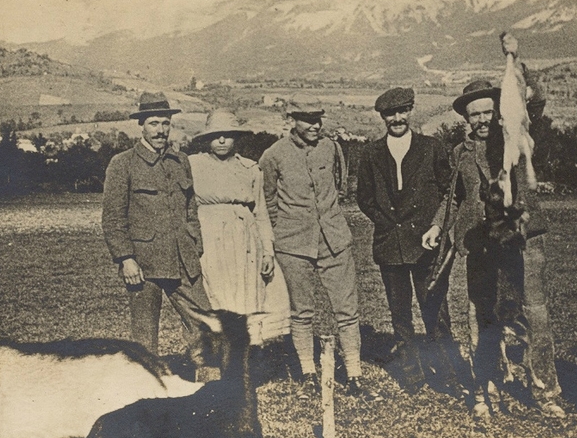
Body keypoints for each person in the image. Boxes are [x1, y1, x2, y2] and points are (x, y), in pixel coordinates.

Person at [440, 33, 566, 420]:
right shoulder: (459, 154)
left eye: (486, 111)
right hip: (481, 245)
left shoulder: (512, 137)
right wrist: (450, 232)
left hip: (524, 239)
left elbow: (536, 101)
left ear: (498, 111)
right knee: (482, 314)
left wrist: (515, 60)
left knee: (535, 314)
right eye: (473, 114)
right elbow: (456, 198)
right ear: (465, 118)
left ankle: (545, 392)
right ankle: (486, 386)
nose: (480, 120)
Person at [260, 100, 381, 401]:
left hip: (334, 239)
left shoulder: (332, 149)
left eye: (318, 120)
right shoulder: (273, 155)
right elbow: (267, 199)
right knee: (301, 312)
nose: (314, 126)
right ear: (292, 120)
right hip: (293, 243)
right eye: (307, 120)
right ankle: (308, 375)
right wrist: (285, 228)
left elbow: (339, 187)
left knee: (347, 310)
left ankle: (354, 376)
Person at [356, 87, 464, 390]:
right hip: (390, 246)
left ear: (411, 111)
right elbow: (364, 198)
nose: (397, 118)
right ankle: (412, 377)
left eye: (402, 111)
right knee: (400, 316)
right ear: (382, 117)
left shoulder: (432, 148)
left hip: (426, 244)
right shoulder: (371, 153)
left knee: (436, 313)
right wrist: (387, 223)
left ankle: (449, 376)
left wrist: (436, 226)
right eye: (390, 114)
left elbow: (450, 192)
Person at [102, 91, 213, 379]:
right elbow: (113, 217)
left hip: (182, 259)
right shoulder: (122, 163)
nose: (160, 130)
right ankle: (146, 389)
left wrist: (194, 243)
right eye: (153, 123)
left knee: (205, 323)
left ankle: (209, 386)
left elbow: (191, 208)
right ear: (141, 125)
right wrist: (126, 259)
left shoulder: (181, 161)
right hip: (144, 264)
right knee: (144, 334)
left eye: (165, 123)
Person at [189, 109, 290, 345]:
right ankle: (219, 359)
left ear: (237, 137)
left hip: (245, 243)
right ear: (207, 139)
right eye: (216, 136)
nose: (222, 141)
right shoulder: (193, 166)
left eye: (228, 135)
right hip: (210, 242)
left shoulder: (250, 169)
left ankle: (249, 357)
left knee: (247, 296)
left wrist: (267, 250)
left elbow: (261, 213)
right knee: (218, 298)